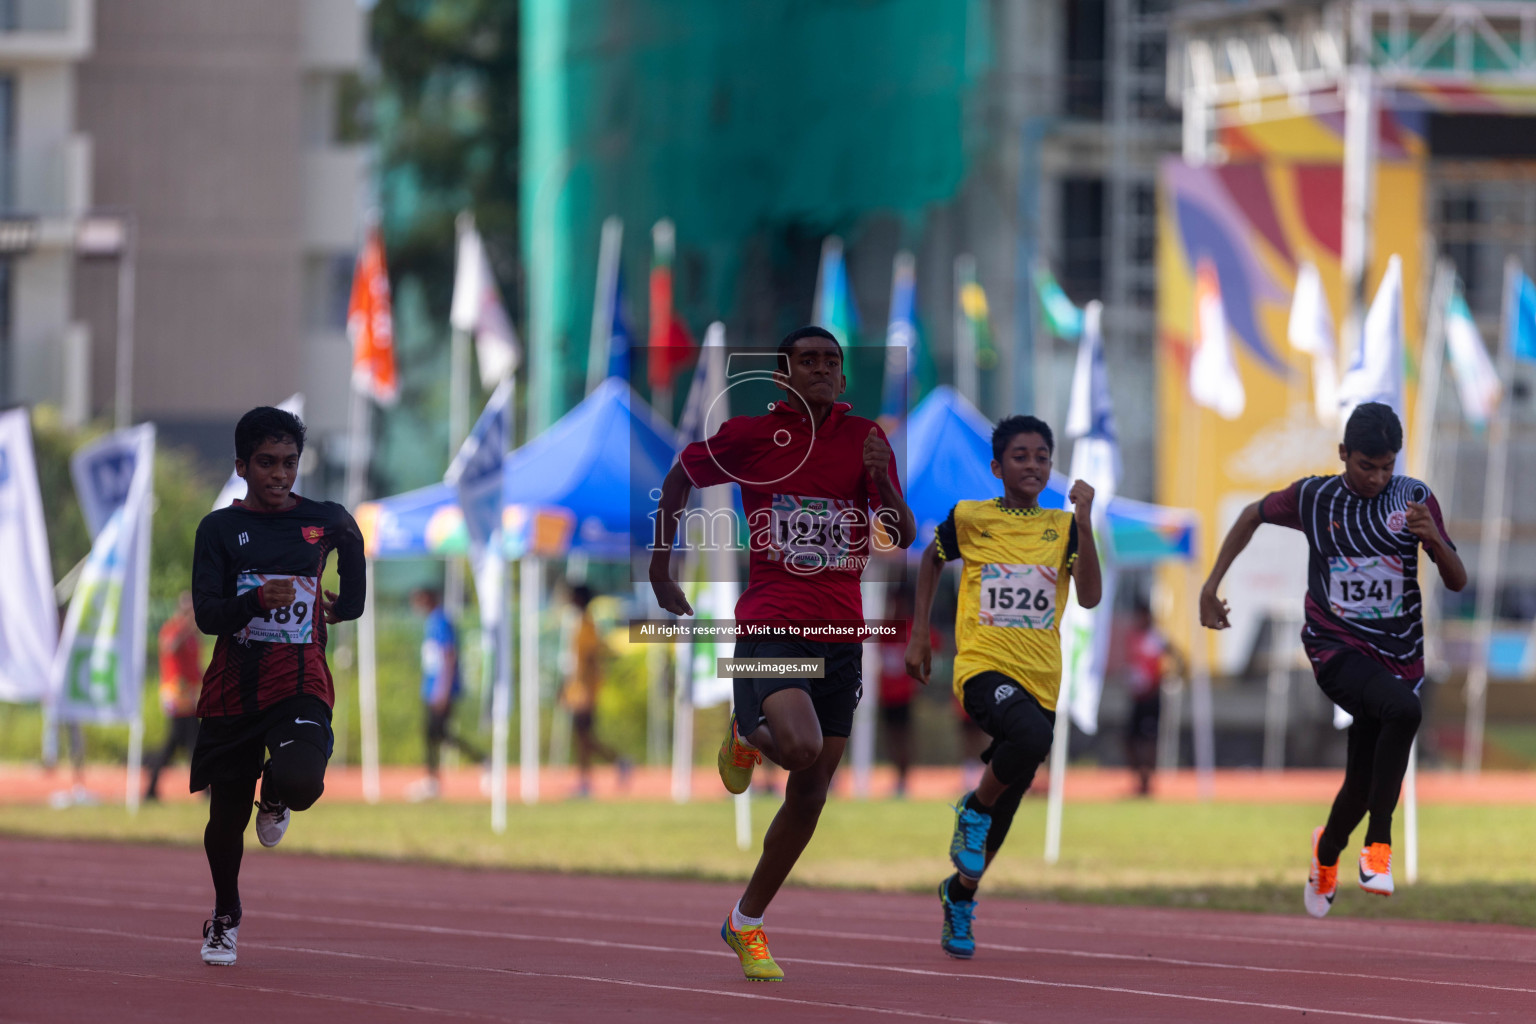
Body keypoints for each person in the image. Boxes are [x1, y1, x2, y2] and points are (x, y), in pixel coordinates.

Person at [651, 325, 917, 981]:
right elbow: (682, 473)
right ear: (783, 376)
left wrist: (884, 489)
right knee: (796, 749)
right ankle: (747, 729)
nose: (822, 368)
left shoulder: (867, 441)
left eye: (832, 361)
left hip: (842, 635)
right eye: (808, 360)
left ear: (845, 377)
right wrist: (662, 564)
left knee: (811, 796)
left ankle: (745, 922)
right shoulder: (751, 436)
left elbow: (902, 535)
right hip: (772, 622)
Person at [1199, 402, 1465, 918]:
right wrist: (1211, 586)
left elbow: (1457, 580)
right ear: (1344, 454)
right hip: (1334, 646)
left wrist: (1433, 537)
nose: (1377, 477)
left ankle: (1327, 850)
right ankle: (1379, 845)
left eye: (1386, 465)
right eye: (1367, 466)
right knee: (1405, 714)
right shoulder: (1313, 497)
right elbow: (1251, 515)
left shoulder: (1413, 498)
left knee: (1362, 784)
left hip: (1398, 657)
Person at [905, 414, 1101, 960]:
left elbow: (1088, 597)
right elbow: (930, 558)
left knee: (1009, 806)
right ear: (997, 467)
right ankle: (971, 808)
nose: (1033, 465)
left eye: (1042, 456)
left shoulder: (1063, 528)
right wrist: (921, 634)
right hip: (982, 666)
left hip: (1041, 681)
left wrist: (1084, 521)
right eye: (1020, 456)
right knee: (1029, 743)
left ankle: (960, 896)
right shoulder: (971, 518)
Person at [188, 406, 364, 965]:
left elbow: (353, 558)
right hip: (235, 685)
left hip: (300, 677)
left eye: (289, 463)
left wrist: (348, 603)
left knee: (303, 781)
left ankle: (279, 794)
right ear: (242, 465)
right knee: (225, 820)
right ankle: (225, 915)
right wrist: (255, 602)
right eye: (266, 463)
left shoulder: (324, 519)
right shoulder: (218, 530)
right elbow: (209, 617)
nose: (279, 474)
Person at [408, 587, 484, 801]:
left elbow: (449, 656)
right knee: (434, 733)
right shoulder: (431, 621)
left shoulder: (442, 621)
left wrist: (442, 689)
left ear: (430, 598)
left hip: (441, 689)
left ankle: (482, 761)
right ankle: (433, 780)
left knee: (438, 732)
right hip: (431, 688)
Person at [559, 584, 626, 797]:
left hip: (585, 690)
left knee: (584, 737)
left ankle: (590, 779)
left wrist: (584, 691)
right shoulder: (581, 624)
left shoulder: (588, 625)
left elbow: (589, 659)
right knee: (583, 737)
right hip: (579, 688)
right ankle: (614, 764)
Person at [145, 591, 204, 802]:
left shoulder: (193, 636)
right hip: (175, 695)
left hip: (189, 696)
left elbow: (194, 666)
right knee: (192, 742)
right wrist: (186, 627)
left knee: (177, 743)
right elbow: (169, 647)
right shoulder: (173, 628)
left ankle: (151, 786)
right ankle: (205, 789)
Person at [1122, 597, 1183, 798]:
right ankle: (1139, 778)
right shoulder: (1134, 637)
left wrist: (1170, 675)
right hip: (1136, 696)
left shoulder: (1156, 637)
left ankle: (1147, 782)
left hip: (1152, 697)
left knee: (1148, 741)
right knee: (1130, 739)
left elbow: (1178, 656)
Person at [877, 585, 917, 797]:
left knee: (903, 738)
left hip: (904, 694)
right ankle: (897, 778)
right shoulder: (887, 628)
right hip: (886, 695)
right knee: (891, 738)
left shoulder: (911, 628)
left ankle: (903, 779)